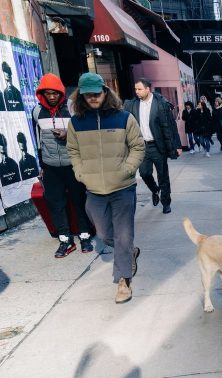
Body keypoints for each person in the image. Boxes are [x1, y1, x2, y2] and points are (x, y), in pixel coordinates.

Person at [66, 72, 145, 303]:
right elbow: (73, 151)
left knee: (123, 235)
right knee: (103, 234)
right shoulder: (76, 122)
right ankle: (129, 252)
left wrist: (126, 170)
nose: (93, 98)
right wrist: (81, 173)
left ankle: (123, 282)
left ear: (105, 91)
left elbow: (138, 147)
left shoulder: (124, 118)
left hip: (122, 188)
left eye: (96, 93)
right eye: (87, 94)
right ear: (81, 96)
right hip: (94, 191)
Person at [32, 73, 94, 257]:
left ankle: (84, 236)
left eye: (55, 93)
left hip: (73, 164)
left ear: (61, 93)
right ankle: (65, 240)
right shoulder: (36, 111)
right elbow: (37, 139)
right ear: (42, 94)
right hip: (51, 167)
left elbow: (84, 133)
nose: (52, 97)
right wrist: (41, 164)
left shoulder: (72, 108)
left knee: (79, 201)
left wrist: (68, 133)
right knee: (55, 204)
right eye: (48, 93)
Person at [124, 78, 181, 214]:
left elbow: (171, 126)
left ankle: (166, 202)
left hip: (157, 146)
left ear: (148, 89)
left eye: (139, 89)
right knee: (144, 173)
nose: (136, 92)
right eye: (136, 89)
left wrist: (177, 145)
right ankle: (155, 190)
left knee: (163, 176)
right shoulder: (132, 105)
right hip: (141, 147)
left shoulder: (161, 104)